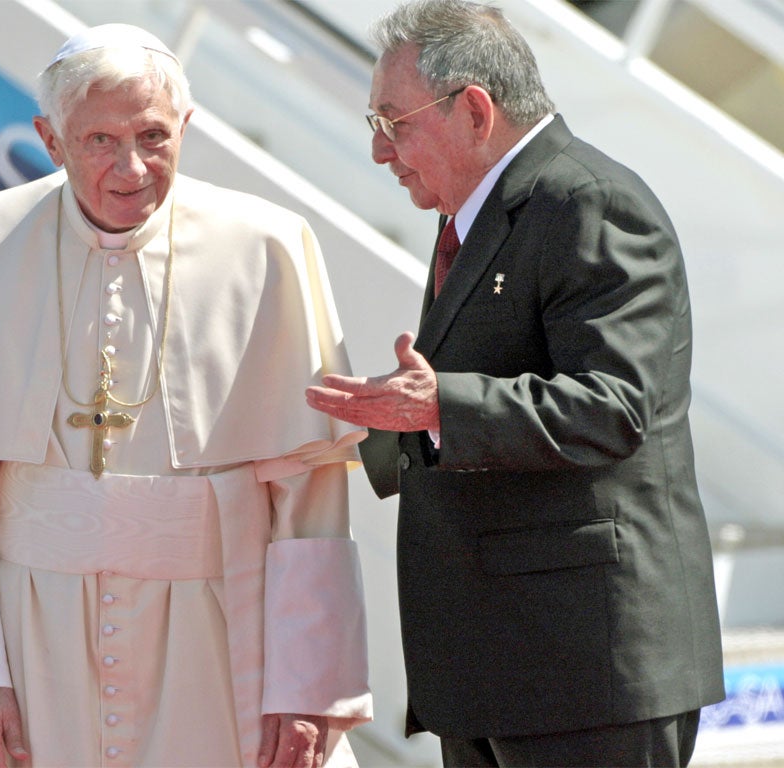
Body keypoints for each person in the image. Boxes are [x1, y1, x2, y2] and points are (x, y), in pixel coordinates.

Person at [0, 24, 373, 768]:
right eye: (100, 141)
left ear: (186, 127)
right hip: (32, 641)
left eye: (153, 135)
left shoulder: (268, 248)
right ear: (50, 140)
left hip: (218, 639)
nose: (132, 167)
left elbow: (310, 498)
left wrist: (306, 687)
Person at [306, 1, 724, 765]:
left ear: (473, 109)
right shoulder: (475, 213)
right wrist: (328, 441)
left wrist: (437, 405)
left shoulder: (589, 200)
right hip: (497, 669)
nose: (378, 149)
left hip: (587, 672)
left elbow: (613, 407)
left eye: (394, 121)